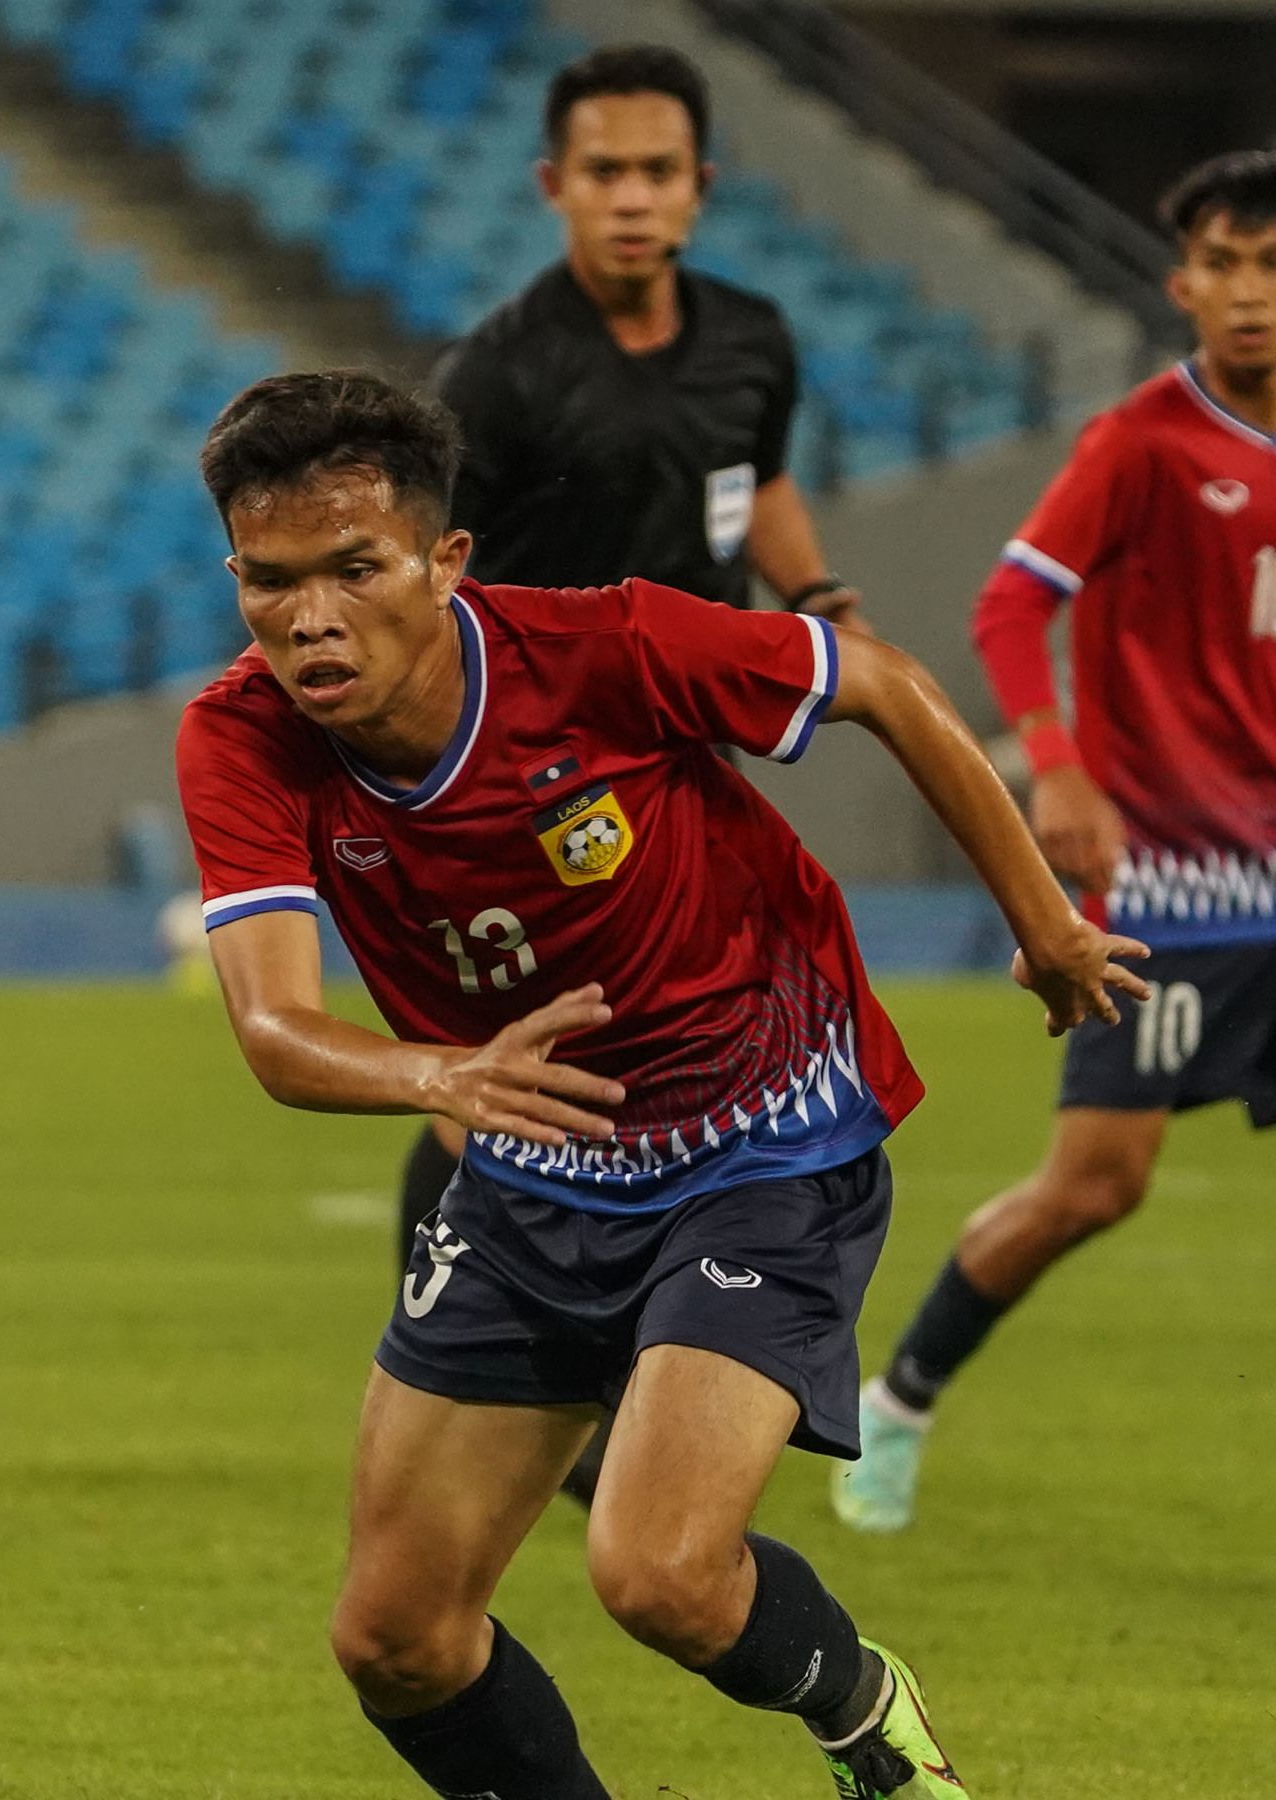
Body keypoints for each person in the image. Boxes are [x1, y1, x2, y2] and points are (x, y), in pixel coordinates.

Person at [175, 369, 1144, 1798]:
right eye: (270, 582)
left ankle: (865, 1714)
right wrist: (447, 1075)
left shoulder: (608, 647)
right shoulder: (239, 735)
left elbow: (883, 683)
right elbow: (273, 1030)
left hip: (759, 1136)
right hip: (532, 1167)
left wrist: (1045, 924)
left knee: (660, 1573)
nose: (310, 617)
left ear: (445, 562)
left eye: (354, 569)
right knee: (395, 1638)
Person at [834, 150, 1276, 1550]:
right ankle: (894, 1405)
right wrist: (1059, 764)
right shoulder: (1136, 443)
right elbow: (1009, 607)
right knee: (1096, 1186)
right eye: (1222, 264)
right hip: (1169, 887)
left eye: (1275, 266)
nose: (1247, 291)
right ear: (1181, 283)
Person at [409, 43, 870, 1498]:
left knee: (671, 1051)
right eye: (603, 172)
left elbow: (756, 482)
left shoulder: (752, 339)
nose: (630, 197)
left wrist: (818, 598)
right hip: (532, 780)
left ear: (700, 187)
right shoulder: (495, 373)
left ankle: (619, 1365)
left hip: (684, 765)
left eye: (656, 172)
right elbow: (426, 576)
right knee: (523, 1063)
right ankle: (472, 1357)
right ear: (553, 185)